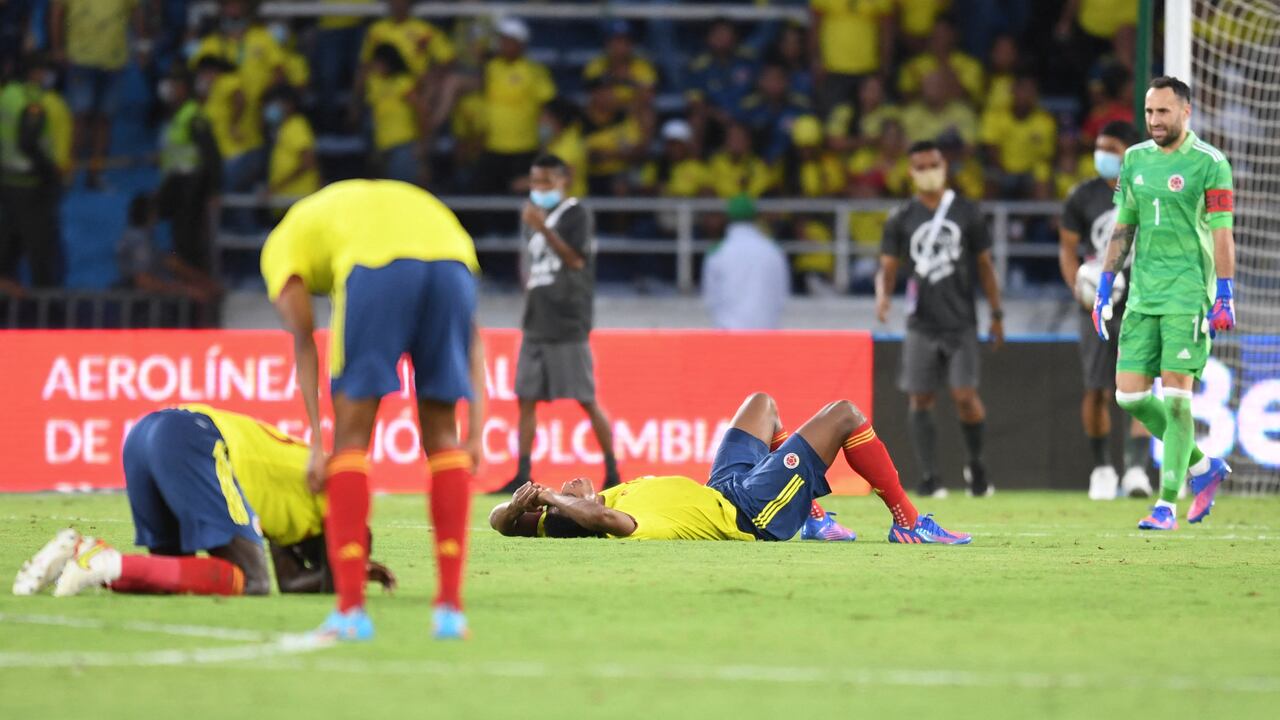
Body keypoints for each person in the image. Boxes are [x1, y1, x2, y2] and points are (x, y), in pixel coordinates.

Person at [261, 179, 482, 641]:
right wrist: (476, 431)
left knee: (352, 440)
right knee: (444, 439)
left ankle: (350, 615)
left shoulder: (281, 245)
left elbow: (304, 337)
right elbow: (473, 337)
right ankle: (449, 612)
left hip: (376, 270)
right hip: (454, 257)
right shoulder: (392, 209)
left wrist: (319, 447)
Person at [14, 405, 396, 598]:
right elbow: (314, 576)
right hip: (194, 438)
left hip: (148, 435)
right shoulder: (336, 492)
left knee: (171, 575)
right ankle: (94, 556)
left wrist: (354, 572)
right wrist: (354, 570)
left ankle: (75, 554)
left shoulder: (295, 512)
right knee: (251, 582)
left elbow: (292, 581)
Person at [490, 392, 969, 545]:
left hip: (722, 486)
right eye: (572, 494)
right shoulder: (619, 522)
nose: (571, 483)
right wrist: (560, 498)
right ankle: (908, 524)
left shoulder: (596, 504)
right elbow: (604, 520)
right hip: (750, 512)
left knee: (761, 404)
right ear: (581, 509)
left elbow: (499, 524)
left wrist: (519, 507)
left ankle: (814, 518)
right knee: (845, 415)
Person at [1092, 76, 1234, 531]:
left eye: (1163, 112)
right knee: (1128, 396)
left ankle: (1166, 504)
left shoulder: (1211, 163)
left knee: (1175, 401)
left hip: (1188, 295)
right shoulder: (1133, 159)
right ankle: (1202, 466)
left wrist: (1225, 292)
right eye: (1150, 112)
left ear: (1185, 112)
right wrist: (1104, 283)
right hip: (1142, 295)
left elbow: (1222, 232)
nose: (1154, 120)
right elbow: (1124, 225)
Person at [876, 140, 1005, 498]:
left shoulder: (966, 212)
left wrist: (996, 313)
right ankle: (930, 475)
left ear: (944, 165)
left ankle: (976, 463)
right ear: (910, 172)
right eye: (921, 166)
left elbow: (985, 265)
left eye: (933, 164)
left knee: (965, 395)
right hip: (921, 322)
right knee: (920, 397)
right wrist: (883, 296)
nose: (928, 172)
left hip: (961, 320)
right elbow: (887, 265)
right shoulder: (901, 217)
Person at [503, 155, 620, 492]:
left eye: (546, 182)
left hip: (568, 319)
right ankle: (522, 472)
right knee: (525, 398)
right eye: (534, 182)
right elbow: (528, 262)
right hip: (535, 320)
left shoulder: (575, 213)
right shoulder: (531, 216)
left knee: (586, 398)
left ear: (563, 181)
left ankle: (612, 469)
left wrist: (542, 228)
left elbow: (576, 260)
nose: (539, 189)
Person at [1059, 120, 1153, 500]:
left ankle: (1135, 470)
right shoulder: (1082, 196)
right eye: (1099, 147)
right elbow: (1067, 249)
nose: (1103, 156)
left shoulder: (1149, 191)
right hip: (1096, 303)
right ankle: (1101, 468)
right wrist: (1077, 289)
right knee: (1096, 388)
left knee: (1140, 388)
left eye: (1111, 148)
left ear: (1129, 151)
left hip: (1141, 300)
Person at [50, 0, 149, 190]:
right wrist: (57, 48)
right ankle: (68, 172)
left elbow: (136, 13)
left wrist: (142, 46)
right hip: (80, 59)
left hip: (115, 61)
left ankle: (95, 174)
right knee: (79, 117)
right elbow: (57, 12)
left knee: (104, 120)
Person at [0, 52, 65, 288]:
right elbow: (28, 142)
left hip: (6, 183)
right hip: (30, 186)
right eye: (44, 70)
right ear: (34, 72)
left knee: (7, 249)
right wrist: (49, 174)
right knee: (40, 254)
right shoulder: (31, 101)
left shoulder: (7, 95)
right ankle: (44, 313)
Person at [116, 192, 223, 326]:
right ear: (151, 214)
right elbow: (143, 281)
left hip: (157, 305)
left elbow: (172, 263)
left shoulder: (148, 239)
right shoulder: (137, 241)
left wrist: (205, 283)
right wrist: (187, 291)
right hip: (145, 311)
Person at [477, 17, 555, 195]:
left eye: (508, 41)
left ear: (521, 44)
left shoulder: (534, 71)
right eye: (502, 40)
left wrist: (545, 143)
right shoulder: (491, 67)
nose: (503, 45)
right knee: (485, 196)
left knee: (519, 197)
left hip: (524, 147)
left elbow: (547, 106)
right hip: (492, 145)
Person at [156, 67, 222, 274]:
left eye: (175, 85)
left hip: (193, 187)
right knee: (179, 239)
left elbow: (211, 156)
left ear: (184, 88)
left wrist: (213, 190)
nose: (171, 90)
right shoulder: (177, 115)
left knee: (191, 239)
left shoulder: (193, 116)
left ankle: (198, 284)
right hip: (177, 186)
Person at [703, 194, 788, 330]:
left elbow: (711, 299)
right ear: (755, 218)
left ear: (728, 218)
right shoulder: (773, 250)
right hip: (766, 334)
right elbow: (781, 297)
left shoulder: (717, 252)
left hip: (729, 334)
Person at [979, 75, 1056, 199]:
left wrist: (1023, 173)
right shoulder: (995, 116)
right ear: (1013, 91)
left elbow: (1046, 155)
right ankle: (987, 217)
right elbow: (991, 150)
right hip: (1002, 169)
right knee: (991, 174)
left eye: (1030, 92)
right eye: (1022, 90)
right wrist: (1005, 172)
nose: (1026, 96)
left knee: (1043, 171)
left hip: (1030, 171)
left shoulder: (1045, 121)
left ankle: (1040, 217)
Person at [363, 44, 423, 185]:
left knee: (401, 187)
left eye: (378, 62)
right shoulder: (374, 81)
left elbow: (421, 110)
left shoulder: (403, 82)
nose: (376, 66)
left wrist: (421, 143)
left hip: (403, 143)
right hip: (381, 144)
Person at [262, 83, 319, 206]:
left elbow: (308, 162)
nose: (270, 107)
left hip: (298, 199)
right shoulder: (283, 128)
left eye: (275, 102)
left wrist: (276, 187)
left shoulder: (297, 126)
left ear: (289, 104)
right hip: (288, 200)